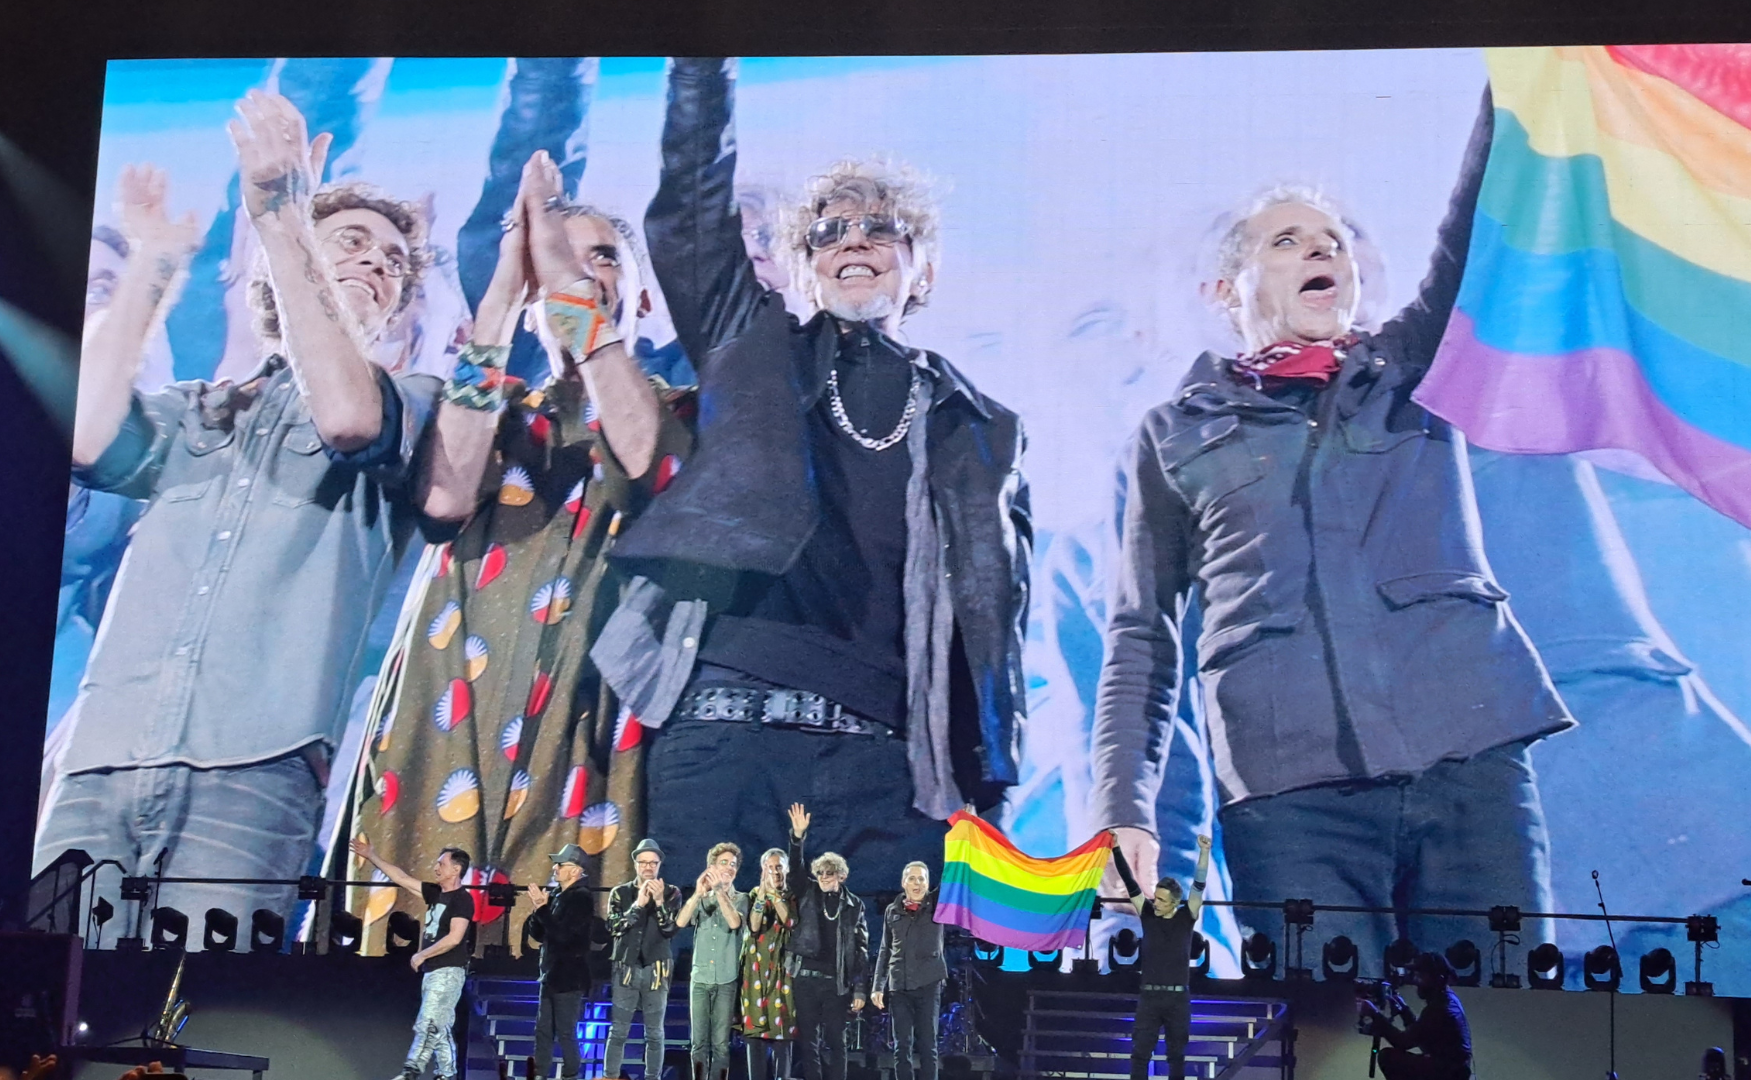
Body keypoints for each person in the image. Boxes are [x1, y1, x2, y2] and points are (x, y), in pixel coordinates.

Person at [1089, 91, 1573, 965]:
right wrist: (1121, 815)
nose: (1321, 249)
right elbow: (1140, 642)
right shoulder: (1174, 435)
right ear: (1224, 289)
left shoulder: (1416, 369)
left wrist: (1519, 74)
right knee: (1321, 1034)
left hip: (1469, 768)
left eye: (1334, 242)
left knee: (1500, 1032)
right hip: (1290, 800)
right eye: (1287, 241)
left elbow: (1479, 222)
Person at [591, 56, 1032, 891]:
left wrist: (986, 790)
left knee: (876, 1018)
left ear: (924, 270)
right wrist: (703, 65)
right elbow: (689, 219)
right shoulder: (752, 351)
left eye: (880, 228)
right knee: (700, 1010)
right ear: (802, 269)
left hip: (888, 774)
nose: (853, 240)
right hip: (727, 743)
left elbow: (995, 624)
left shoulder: (982, 428)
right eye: (828, 231)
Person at [36, 91, 441, 941]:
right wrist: (151, 260)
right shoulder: (198, 410)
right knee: (42, 1000)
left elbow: (347, 419)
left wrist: (285, 216)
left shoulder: (407, 402)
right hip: (103, 755)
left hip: (254, 767)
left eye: (397, 260)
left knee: (199, 1006)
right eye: (354, 241)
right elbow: (84, 437)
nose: (379, 261)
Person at [349, 146, 688, 952]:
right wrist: (505, 291)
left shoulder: (689, 412)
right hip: (448, 727)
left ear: (640, 293)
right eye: (556, 257)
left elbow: (647, 466)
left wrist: (573, 296)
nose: (575, 270)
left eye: (601, 255)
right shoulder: (496, 412)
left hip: (595, 742)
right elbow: (444, 497)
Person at [351, 839, 475, 1080]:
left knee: (428, 1022)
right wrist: (372, 856)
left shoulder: (462, 900)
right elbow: (402, 879)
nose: (436, 867)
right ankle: (447, 1074)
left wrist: (422, 954)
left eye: (441, 864)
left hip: (448, 970)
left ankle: (411, 1071)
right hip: (433, 971)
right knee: (440, 1025)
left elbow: (454, 938)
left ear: (456, 869)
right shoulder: (435, 893)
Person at [782, 804, 870, 1080]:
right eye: (820, 873)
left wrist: (859, 990)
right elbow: (794, 869)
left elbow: (861, 950)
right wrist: (797, 838)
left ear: (841, 876)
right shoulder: (807, 891)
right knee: (808, 1040)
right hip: (806, 978)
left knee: (836, 1041)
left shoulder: (854, 905)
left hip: (836, 982)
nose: (823, 878)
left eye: (829, 873)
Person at [1112, 832, 1208, 1080]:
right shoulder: (1147, 914)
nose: (1156, 902)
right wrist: (1116, 849)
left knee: (1176, 1056)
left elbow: (1199, 885)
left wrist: (1204, 853)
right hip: (1150, 997)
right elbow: (1130, 881)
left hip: (1177, 998)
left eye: (1162, 900)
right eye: (1156, 897)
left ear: (1175, 903)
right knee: (1140, 1054)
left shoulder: (1186, 918)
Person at [605, 839, 683, 1080]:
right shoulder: (620, 892)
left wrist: (658, 903)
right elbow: (614, 927)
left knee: (655, 1033)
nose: (648, 867)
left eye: (653, 862)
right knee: (618, 1031)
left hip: (656, 969)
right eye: (643, 862)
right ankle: (610, 1076)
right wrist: (638, 905)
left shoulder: (672, 893)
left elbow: (670, 929)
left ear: (659, 865)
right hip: (626, 967)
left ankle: (652, 1077)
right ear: (636, 864)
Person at [525, 844, 598, 1080]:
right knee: (543, 1030)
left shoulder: (581, 898)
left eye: (561, 865)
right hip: (549, 973)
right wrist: (538, 909)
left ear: (576, 871)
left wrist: (543, 910)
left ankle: (570, 1075)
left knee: (566, 1031)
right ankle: (540, 1074)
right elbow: (539, 934)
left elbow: (564, 934)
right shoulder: (556, 895)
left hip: (569, 977)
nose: (555, 868)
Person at [871, 861, 946, 1080]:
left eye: (921, 879)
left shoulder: (936, 905)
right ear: (903, 883)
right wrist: (877, 986)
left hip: (928, 983)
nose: (917, 883)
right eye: (912, 878)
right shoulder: (892, 911)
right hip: (899, 985)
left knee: (928, 1045)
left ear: (928, 883)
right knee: (902, 1046)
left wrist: (958, 843)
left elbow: (950, 878)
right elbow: (885, 949)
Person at [677, 842, 746, 1080]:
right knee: (698, 1042)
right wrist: (699, 892)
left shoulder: (742, 898)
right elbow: (681, 922)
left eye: (733, 864)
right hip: (701, 978)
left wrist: (719, 891)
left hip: (726, 979)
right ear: (712, 866)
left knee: (721, 1044)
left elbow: (735, 923)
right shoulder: (702, 898)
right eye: (723, 863)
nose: (729, 868)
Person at [1357, 953, 1471, 1080]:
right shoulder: (1446, 1000)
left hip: (1447, 1074)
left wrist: (1374, 1013)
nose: (1417, 981)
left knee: (1387, 1057)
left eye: (1421, 976)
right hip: (1453, 1072)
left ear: (1438, 979)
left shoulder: (1438, 1008)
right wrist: (1404, 1011)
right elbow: (1422, 1035)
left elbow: (1403, 1042)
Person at [739, 848, 797, 1080]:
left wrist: (774, 895)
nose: (775, 872)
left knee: (783, 1034)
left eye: (779, 867)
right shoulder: (754, 894)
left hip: (783, 972)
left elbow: (790, 921)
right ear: (762, 870)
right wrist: (764, 894)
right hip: (756, 973)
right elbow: (754, 925)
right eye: (770, 867)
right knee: (755, 1035)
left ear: (787, 869)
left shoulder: (794, 895)